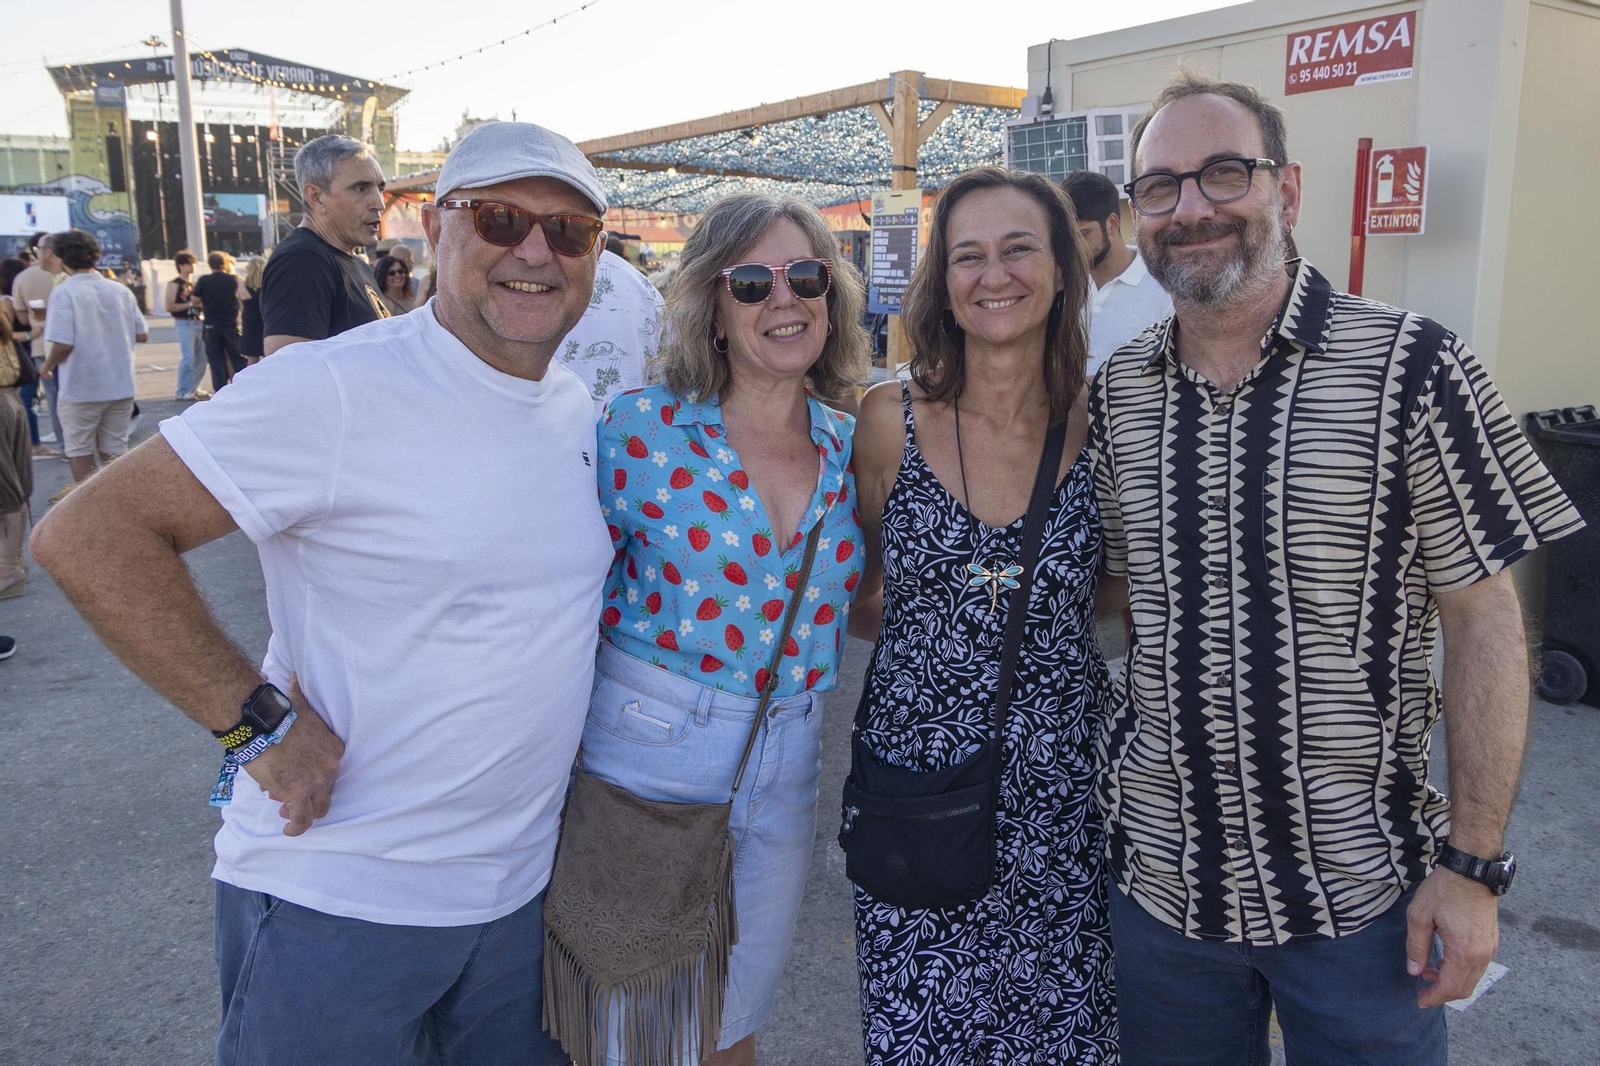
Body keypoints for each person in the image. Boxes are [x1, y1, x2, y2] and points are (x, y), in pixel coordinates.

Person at [29, 120, 614, 1065]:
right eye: (501, 219)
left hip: (514, 904)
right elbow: (88, 536)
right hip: (340, 899)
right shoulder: (337, 388)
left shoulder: (573, 404)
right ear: (436, 227)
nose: (535, 252)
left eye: (570, 231)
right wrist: (255, 726)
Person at [1088, 71, 1587, 1066]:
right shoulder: (1119, 395)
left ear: (1288, 188)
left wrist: (1474, 868)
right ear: (1136, 212)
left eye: (1223, 173)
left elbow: (1484, 621)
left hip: (1360, 904)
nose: (1191, 208)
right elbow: (1122, 602)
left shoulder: (1412, 368)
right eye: (1160, 187)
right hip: (1163, 900)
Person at [581, 192, 869, 1066]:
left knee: (731, 1023)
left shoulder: (854, 446)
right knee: (635, 1031)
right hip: (647, 745)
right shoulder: (636, 431)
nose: (784, 300)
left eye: (805, 276)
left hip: (787, 756)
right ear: (711, 304)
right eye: (752, 283)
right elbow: (547, 595)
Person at [842, 165, 1117, 1064]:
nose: (992, 275)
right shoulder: (890, 422)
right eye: (968, 256)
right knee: (926, 1037)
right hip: (917, 798)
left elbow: (1115, 592)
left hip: (1067, 802)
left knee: (1069, 1035)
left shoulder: (1104, 424)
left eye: (1016, 249)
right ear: (942, 283)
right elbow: (862, 585)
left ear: (1063, 271)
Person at [39, 230, 147, 500]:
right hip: (120, 383)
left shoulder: (64, 292)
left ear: (61, 257)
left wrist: (47, 365)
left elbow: (63, 343)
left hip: (81, 385)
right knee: (115, 447)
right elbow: (142, 333)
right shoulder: (120, 290)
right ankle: (121, 503)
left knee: (79, 448)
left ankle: (94, 505)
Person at [260, 134, 389, 355]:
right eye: (361, 189)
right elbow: (289, 375)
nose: (379, 203)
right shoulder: (302, 261)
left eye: (379, 189)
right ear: (317, 197)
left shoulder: (354, 263)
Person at [1063, 169, 1173, 377]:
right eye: (1069, 237)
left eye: (1083, 234)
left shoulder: (1163, 286)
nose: (1075, 247)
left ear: (1112, 224)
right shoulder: (1063, 286)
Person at [559, 245, 664, 414]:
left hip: (552, 428)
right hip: (633, 428)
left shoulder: (541, 273)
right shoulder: (640, 284)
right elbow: (666, 374)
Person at [12, 233, 67, 453]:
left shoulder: (23, 278)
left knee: (53, 398)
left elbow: (23, 319)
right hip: (73, 346)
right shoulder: (69, 274)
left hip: (40, 345)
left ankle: (66, 446)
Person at [1, 303, 32, 599]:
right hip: (9, 399)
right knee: (15, 488)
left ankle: (8, 568)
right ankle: (13, 563)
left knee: (6, 491)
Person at [191, 251, 248, 392]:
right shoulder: (233, 279)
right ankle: (244, 387)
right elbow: (243, 297)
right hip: (231, 323)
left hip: (211, 324)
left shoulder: (204, 280)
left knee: (216, 359)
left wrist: (206, 303)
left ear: (210, 265)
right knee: (237, 357)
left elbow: (194, 300)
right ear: (225, 263)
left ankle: (220, 391)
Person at [166, 250, 209, 400]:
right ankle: (182, 390)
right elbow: (170, 306)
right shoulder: (174, 284)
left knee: (202, 357)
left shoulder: (195, 284)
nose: (193, 266)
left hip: (199, 320)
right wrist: (190, 304)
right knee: (188, 357)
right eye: (189, 264)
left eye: (193, 263)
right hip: (183, 322)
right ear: (181, 265)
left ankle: (194, 387)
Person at [239, 248, 271, 365]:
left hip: (250, 322)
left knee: (252, 357)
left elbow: (241, 306)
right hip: (265, 319)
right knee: (269, 355)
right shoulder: (268, 286)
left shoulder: (242, 286)